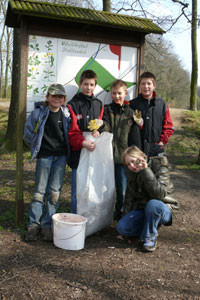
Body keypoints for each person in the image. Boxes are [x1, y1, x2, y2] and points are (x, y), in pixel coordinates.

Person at [24, 83, 71, 242]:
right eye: (54, 96)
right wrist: (37, 146)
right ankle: (33, 224)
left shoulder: (66, 114)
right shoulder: (39, 113)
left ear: (64, 99)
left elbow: (70, 133)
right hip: (44, 156)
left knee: (54, 192)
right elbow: (28, 133)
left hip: (60, 157)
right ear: (47, 97)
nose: (57, 99)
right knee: (39, 191)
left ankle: (46, 224)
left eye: (60, 97)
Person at [117, 145, 179, 252]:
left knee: (153, 204)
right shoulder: (131, 173)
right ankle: (149, 226)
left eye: (133, 161)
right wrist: (125, 222)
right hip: (143, 210)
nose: (132, 166)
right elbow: (129, 198)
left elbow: (159, 194)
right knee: (122, 227)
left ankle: (149, 237)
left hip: (163, 207)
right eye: (128, 164)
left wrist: (146, 171)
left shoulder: (159, 165)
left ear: (142, 157)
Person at [102, 79, 142, 221]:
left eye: (119, 93)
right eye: (114, 93)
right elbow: (105, 128)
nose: (117, 96)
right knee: (105, 190)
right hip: (107, 158)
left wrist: (137, 157)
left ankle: (121, 219)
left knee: (123, 191)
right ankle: (104, 218)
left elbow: (135, 138)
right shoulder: (106, 110)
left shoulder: (131, 113)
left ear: (125, 93)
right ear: (111, 93)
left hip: (123, 160)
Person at [67, 70, 104, 214]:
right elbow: (71, 131)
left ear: (95, 86)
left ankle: (92, 219)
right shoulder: (72, 105)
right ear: (80, 84)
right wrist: (82, 143)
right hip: (78, 153)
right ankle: (76, 219)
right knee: (78, 190)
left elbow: (102, 124)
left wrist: (99, 131)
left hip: (94, 154)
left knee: (93, 188)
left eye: (91, 85)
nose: (88, 87)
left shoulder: (99, 104)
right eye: (85, 84)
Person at [129, 71, 174, 158]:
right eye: (143, 84)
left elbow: (168, 126)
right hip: (137, 149)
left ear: (154, 86)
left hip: (156, 149)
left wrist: (161, 142)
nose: (146, 86)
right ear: (139, 86)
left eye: (149, 83)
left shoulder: (162, 104)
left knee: (155, 171)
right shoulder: (132, 104)